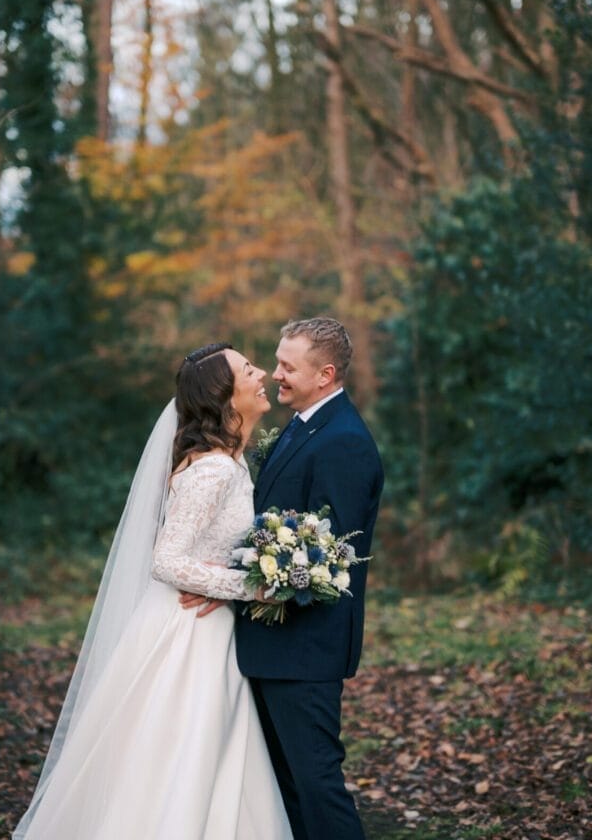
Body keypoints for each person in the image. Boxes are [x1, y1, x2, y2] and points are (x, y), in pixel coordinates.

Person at [12, 343, 292, 840]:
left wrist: (229, 585)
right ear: (224, 395)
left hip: (208, 626)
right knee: (183, 752)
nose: (262, 373)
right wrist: (253, 587)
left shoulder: (231, 462)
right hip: (187, 636)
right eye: (250, 369)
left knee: (212, 752)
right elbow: (166, 559)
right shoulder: (213, 470)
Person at [235, 317, 383, 840]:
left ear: (324, 374)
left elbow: (334, 555)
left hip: (305, 648)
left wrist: (246, 583)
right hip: (275, 645)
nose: (275, 374)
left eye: (286, 366)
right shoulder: (304, 425)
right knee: (288, 786)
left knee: (316, 782)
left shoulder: (344, 441)